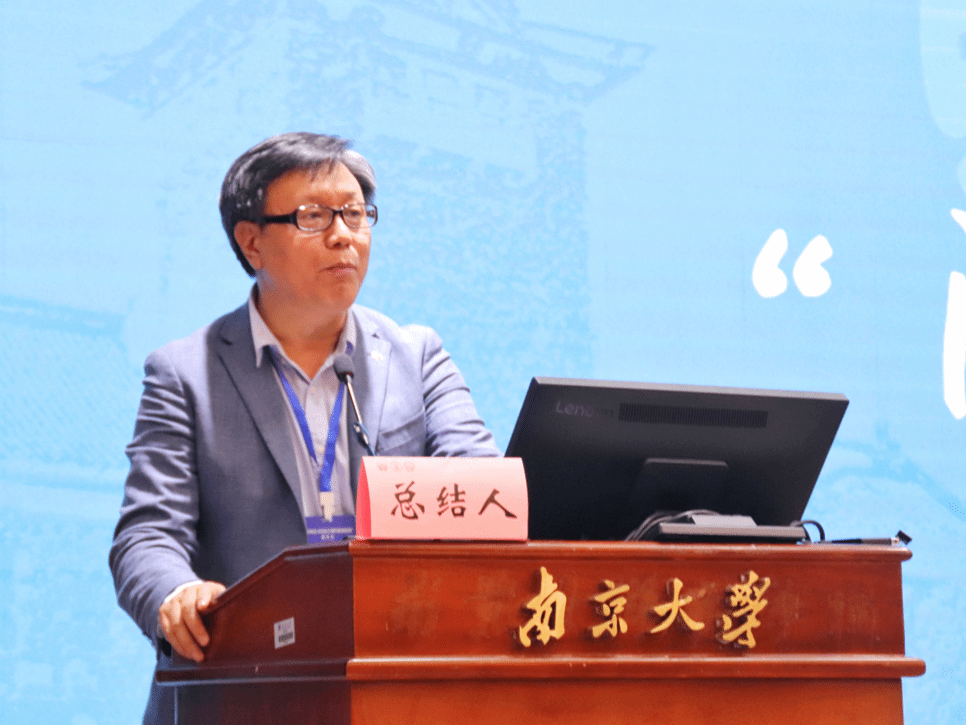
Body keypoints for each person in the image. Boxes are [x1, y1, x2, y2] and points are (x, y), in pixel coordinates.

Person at [110, 132, 500, 724]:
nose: (344, 235)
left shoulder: (416, 356)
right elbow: (147, 535)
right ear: (252, 242)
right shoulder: (185, 373)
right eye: (314, 217)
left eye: (355, 214)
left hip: (395, 686)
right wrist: (176, 594)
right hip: (241, 690)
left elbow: (483, 491)